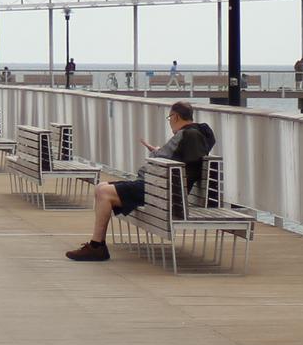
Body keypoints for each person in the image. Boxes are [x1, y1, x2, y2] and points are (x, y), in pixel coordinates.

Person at [64, 101, 216, 260]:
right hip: (159, 187)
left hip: (161, 190)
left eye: (169, 117)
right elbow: (181, 160)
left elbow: (189, 164)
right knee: (102, 187)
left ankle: (97, 247)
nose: (170, 121)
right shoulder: (190, 134)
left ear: (176, 116)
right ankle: (97, 246)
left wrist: (159, 156)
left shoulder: (190, 135)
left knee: (103, 192)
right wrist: (158, 153)